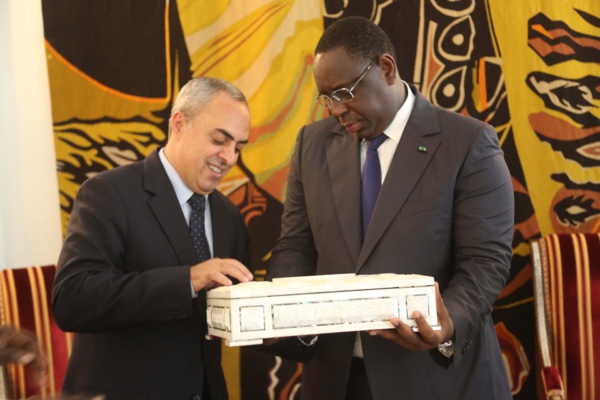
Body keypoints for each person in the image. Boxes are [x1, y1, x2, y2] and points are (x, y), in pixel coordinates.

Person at [265, 16, 514, 400]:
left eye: (344, 92)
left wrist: (446, 324)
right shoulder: (311, 144)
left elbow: (485, 261)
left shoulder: (468, 143)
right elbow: (296, 246)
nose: (335, 109)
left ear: (386, 68)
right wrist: (277, 313)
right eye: (326, 97)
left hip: (434, 378)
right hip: (337, 380)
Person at [52, 77, 254, 400]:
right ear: (179, 124)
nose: (230, 157)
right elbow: (72, 300)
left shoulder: (229, 217)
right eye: (219, 140)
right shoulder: (108, 193)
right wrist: (187, 280)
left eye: (239, 147)